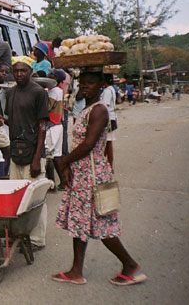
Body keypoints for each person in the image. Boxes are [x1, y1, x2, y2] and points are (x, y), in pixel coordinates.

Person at [53, 70, 146, 286]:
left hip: (93, 174)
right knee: (79, 221)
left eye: (91, 83)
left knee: (102, 225)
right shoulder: (85, 109)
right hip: (82, 172)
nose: (85, 86)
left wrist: (65, 161)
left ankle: (130, 264)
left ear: (101, 86)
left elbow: (88, 144)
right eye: (82, 83)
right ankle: (76, 271)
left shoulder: (99, 110)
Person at [4, 55, 49, 249]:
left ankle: (37, 239)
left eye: (23, 71)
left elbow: (41, 126)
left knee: (35, 199)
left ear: (30, 72)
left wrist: (37, 158)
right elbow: (16, 121)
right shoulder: (11, 92)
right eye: (16, 71)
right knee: (17, 196)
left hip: (33, 153)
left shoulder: (38, 92)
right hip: (16, 152)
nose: (19, 74)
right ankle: (22, 236)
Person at [45, 69, 66, 189]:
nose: (49, 75)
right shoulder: (58, 91)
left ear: (56, 78)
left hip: (52, 126)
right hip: (57, 125)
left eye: (51, 74)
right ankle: (63, 182)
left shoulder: (53, 92)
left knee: (49, 156)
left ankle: (51, 184)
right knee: (56, 155)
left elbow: (47, 107)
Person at [100, 74, 118, 166]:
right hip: (112, 116)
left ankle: (109, 164)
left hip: (109, 118)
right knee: (107, 142)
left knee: (107, 142)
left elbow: (104, 105)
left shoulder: (107, 91)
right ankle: (108, 163)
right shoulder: (111, 89)